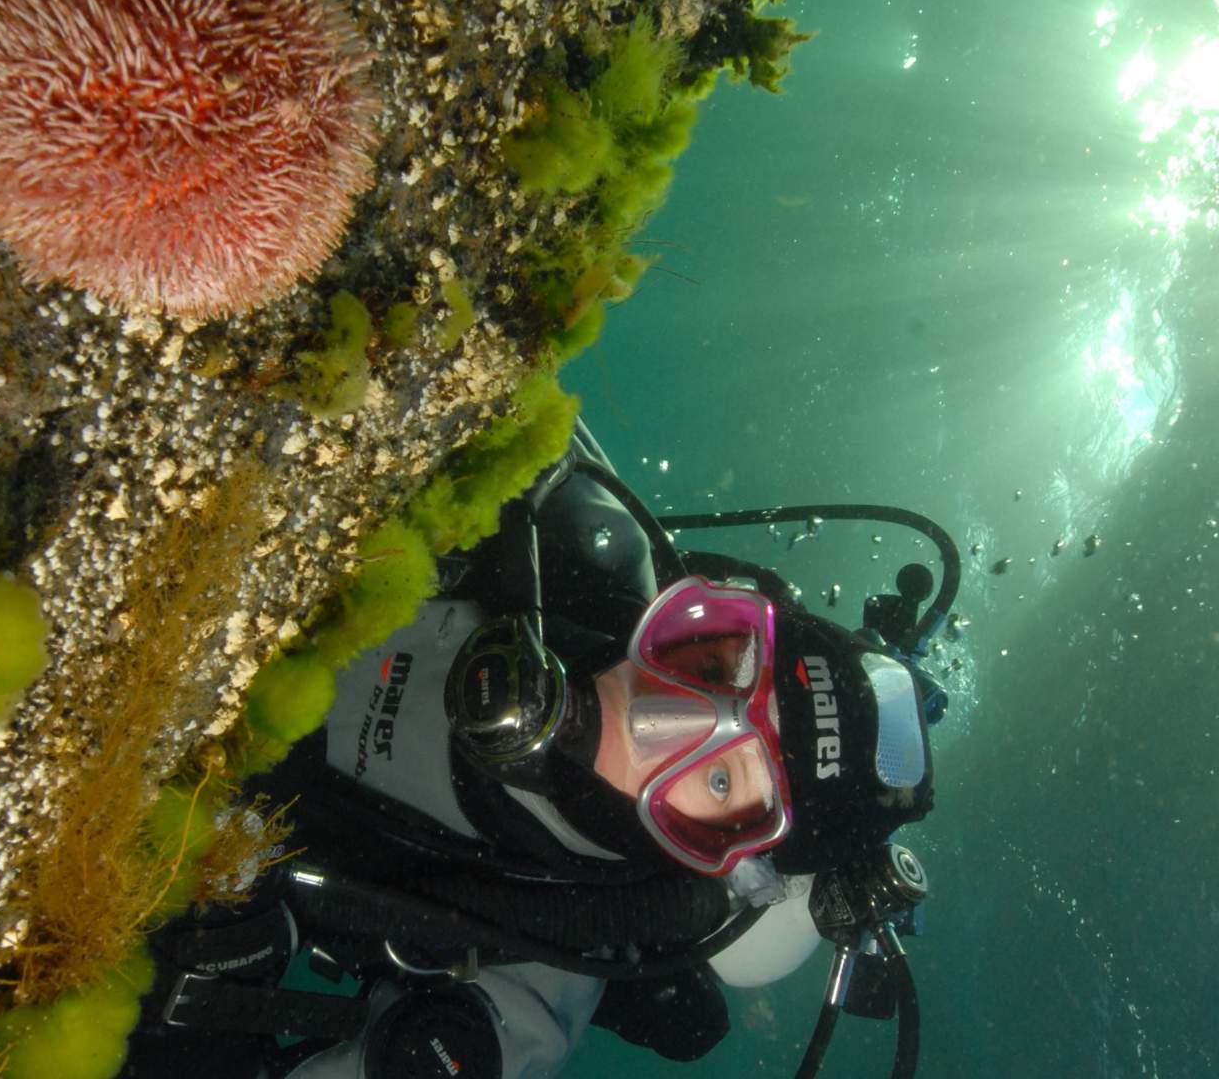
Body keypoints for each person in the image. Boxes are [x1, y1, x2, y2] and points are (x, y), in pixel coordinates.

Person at [121, 421, 947, 1078]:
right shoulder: (572, 537)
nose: (668, 719)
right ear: (696, 613)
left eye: (723, 776)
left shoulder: (534, 980)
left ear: (712, 855)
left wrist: (226, 954)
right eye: (715, 666)